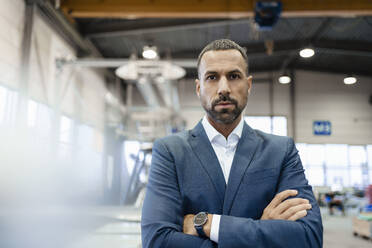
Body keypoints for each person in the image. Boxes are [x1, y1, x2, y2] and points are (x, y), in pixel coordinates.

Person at [141, 39, 323, 247]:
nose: (224, 88)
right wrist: (260, 230)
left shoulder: (281, 151)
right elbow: (157, 241)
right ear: (199, 88)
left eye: (234, 76)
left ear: (248, 84)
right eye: (212, 77)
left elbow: (309, 237)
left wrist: (208, 223)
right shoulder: (170, 151)